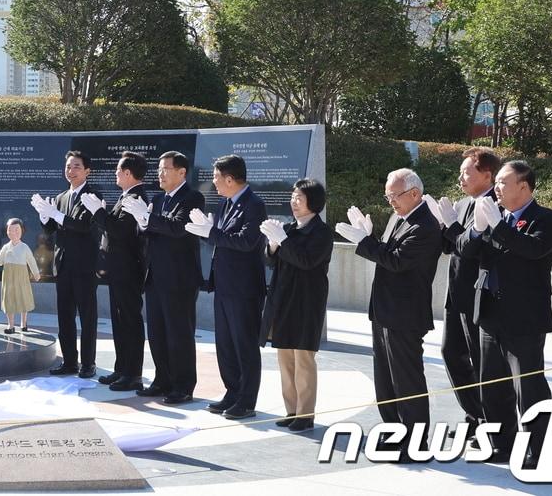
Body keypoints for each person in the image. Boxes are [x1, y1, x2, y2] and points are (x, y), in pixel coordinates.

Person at [335, 167, 442, 462]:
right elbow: (386, 254)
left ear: (414, 193)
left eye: (394, 195)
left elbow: (396, 262)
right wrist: (370, 238)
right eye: (387, 195)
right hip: (384, 310)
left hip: (405, 314)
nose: (390, 201)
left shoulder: (425, 226)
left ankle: (416, 442)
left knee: (407, 380)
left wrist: (365, 242)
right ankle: (394, 434)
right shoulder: (400, 218)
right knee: (385, 380)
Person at [468, 160, 552, 467]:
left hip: (523, 318)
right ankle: (501, 443)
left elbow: (532, 251)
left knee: (528, 386)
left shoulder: (546, 219)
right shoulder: (496, 216)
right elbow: (472, 256)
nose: (497, 188)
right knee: (492, 384)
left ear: (524, 186)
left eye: (503, 183)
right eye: (496, 183)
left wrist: (499, 227)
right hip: (491, 313)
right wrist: (472, 231)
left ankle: (539, 448)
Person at [428, 147, 502, 434]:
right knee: (451, 353)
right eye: (460, 172)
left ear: (487, 175)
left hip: (480, 296)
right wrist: (440, 224)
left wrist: (453, 227)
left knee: (481, 360)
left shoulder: (494, 205)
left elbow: (471, 249)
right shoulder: (461, 204)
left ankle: (490, 420)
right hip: (456, 294)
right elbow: (450, 246)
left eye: (467, 172)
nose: (461, 178)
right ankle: (474, 413)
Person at [186, 154, 266, 420]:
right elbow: (223, 240)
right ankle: (232, 393)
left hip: (244, 289)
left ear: (230, 179)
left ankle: (246, 401)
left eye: (217, 178)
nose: (214, 183)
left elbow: (247, 242)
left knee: (244, 345)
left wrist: (210, 232)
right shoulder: (225, 204)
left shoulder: (254, 204)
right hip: (223, 285)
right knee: (226, 344)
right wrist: (211, 231)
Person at [258, 179, 333, 434]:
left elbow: (307, 261)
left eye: (299, 198)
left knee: (303, 359)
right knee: (285, 359)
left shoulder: (321, 233)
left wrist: (284, 242)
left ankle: (305, 413)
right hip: (283, 300)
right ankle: (291, 410)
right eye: (293, 197)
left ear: (313, 202)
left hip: (306, 302)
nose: (294, 202)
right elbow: (270, 261)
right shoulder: (288, 228)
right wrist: (272, 245)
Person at [135, 150, 205, 404]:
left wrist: (148, 219)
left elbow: (177, 228)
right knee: (156, 333)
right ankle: (162, 379)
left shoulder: (192, 197)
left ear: (181, 172)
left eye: (165, 169)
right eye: (159, 170)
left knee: (179, 334)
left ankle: (183, 385)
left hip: (180, 279)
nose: (160, 174)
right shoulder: (158, 197)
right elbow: (149, 233)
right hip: (155, 276)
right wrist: (142, 222)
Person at [33, 150, 106, 379]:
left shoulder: (92, 195)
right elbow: (53, 230)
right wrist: (45, 217)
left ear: (87, 171)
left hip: (85, 266)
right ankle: (70, 362)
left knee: (87, 317)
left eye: (76, 166)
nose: (70, 171)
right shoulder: (62, 196)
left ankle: (88, 364)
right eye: (68, 166)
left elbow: (84, 226)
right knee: (65, 317)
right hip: (63, 265)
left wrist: (55, 214)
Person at [99, 151, 150, 392]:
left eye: (119, 170)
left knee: (130, 321)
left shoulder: (136, 197)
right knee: (119, 322)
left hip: (129, 270)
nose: (116, 174)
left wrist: (99, 214)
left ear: (129, 173)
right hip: (118, 269)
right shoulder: (125, 196)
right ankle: (122, 369)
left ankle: (133, 374)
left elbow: (120, 231)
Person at [0, 218, 40, 333]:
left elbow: (31, 261)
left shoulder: (24, 247)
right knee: (9, 300)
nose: (13, 232)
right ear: (7, 231)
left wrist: (36, 273)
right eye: (10, 230)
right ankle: (11, 325)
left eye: (16, 230)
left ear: (21, 231)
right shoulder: (6, 247)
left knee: (23, 298)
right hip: (8, 278)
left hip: (22, 277)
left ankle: (23, 323)